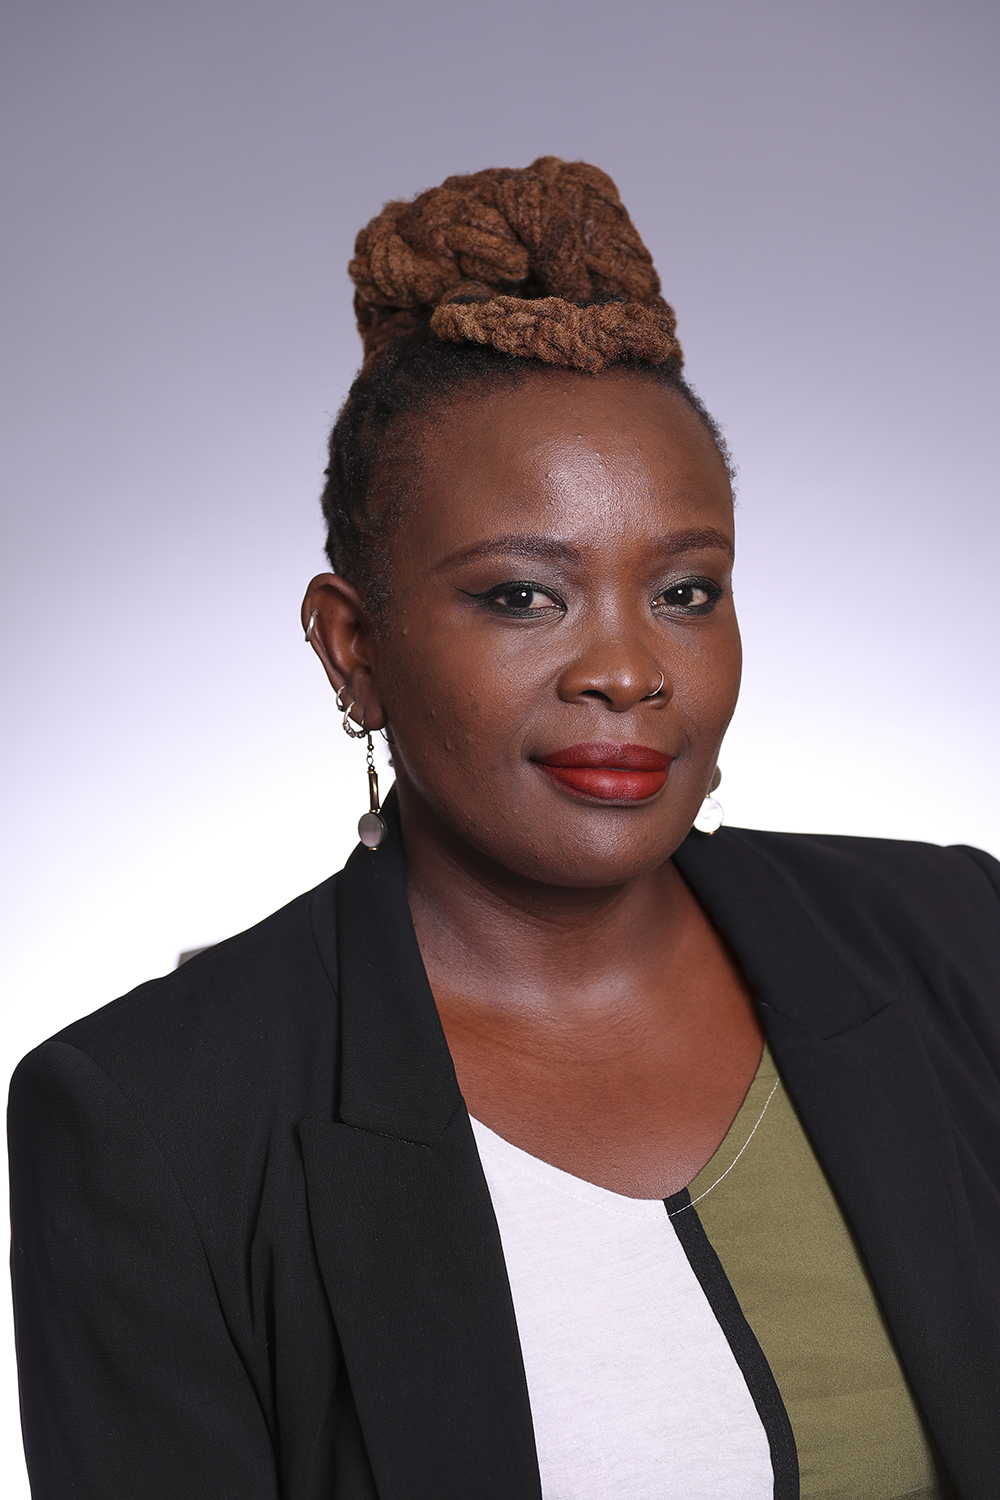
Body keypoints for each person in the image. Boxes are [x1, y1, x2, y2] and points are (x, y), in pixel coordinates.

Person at [8, 157, 1000, 1500]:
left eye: (687, 591)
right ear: (353, 647)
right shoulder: (153, 1120)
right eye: (524, 597)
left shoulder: (959, 945)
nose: (627, 672)